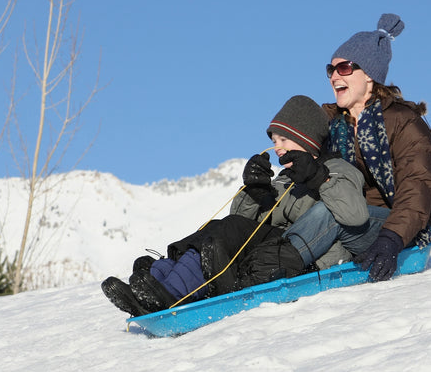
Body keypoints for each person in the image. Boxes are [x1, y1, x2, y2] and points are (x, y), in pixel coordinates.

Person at [101, 95, 371, 316]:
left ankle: (172, 292)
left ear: (306, 139)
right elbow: (244, 224)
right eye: (274, 141)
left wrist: (317, 177)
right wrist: (254, 191)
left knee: (228, 229)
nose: (276, 148)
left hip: (306, 251)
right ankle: (158, 280)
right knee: (218, 228)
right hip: (271, 250)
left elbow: (354, 214)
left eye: (283, 140)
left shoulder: (337, 169)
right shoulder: (285, 179)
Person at [282, 13, 431, 282]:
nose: (334, 76)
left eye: (344, 68)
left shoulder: (404, 123)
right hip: (351, 222)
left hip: (399, 229)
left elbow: (417, 187)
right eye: (330, 70)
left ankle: (271, 268)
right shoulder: (332, 124)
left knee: (330, 214)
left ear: (369, 75)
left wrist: (391, 238)